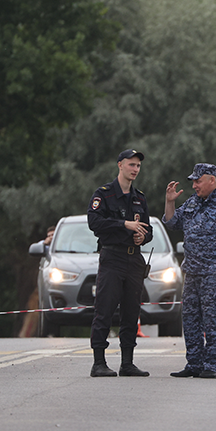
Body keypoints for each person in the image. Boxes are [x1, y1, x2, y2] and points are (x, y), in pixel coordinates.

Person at [163, 163, 216, 379]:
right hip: (192, 273)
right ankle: (193, 363)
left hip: (215, 274)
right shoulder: (193, 203)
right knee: (191, 320)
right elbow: (173, 222)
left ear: (212, 180)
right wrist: (169, 202)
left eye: (198, 181)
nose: (194, 185)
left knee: (213, 321)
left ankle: (212, 365)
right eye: (193, 180)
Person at [87, 149, 152, 377]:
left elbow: (148, 228)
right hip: (112, 258)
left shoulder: (139, 198)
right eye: (131, 165)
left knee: (131, 311)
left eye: (138, 166)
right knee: (104, 309)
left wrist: (143, 236)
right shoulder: (104, 194)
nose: (135, 169)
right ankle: (98, 362)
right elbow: (94, 222)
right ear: (120, 165)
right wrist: (125, 225)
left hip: (134, 259)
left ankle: (127, 362)